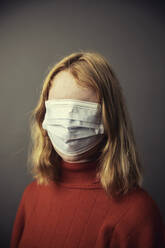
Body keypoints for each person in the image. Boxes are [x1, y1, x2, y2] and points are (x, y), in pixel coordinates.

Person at [10, 51, 165, 248]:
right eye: (58, 109)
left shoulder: (137, 214)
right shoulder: (32, 195)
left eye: (81, 110)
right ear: (44, 115)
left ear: (109, 117)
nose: (67, 125)